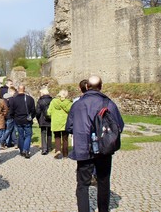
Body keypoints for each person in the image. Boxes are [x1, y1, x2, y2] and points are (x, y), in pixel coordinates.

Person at [66, 75, 124, 212]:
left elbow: (69, 127)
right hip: (104, 147)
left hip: (83, 147)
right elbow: (119, 125)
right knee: (103, 182)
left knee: (82, 184)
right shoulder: (108, 103)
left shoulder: (77, 104)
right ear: (101, 86)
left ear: (87, 87)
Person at [8, 85, 35, 159]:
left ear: (18, 90)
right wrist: (31, 117)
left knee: (20, 135)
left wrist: (14, 117)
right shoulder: (30, 99)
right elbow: (33, 110)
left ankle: (22, 150)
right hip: (27, 119)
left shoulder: (13, 100)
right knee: (28, 135)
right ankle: (25, 150)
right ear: (24, 89)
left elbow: (11, 111)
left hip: (18, 119)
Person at [47, 89, 72, 159]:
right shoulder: (68, 102)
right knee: (65, 139)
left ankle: (58, 150)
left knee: (57, 137)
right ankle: (65, 155)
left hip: (56, 122)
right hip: (65, 122)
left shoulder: (53, 101)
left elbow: (49, 112)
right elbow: (71, 111)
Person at [36, 88, 53, 155]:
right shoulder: (52, 100)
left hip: (42, 119)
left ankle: (44, 149)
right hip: (50, 118)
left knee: (43, 133)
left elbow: (37, 111)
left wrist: (38, 118)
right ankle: (49, 147)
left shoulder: (40, 101)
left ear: (42, 93)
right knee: (49, 133)